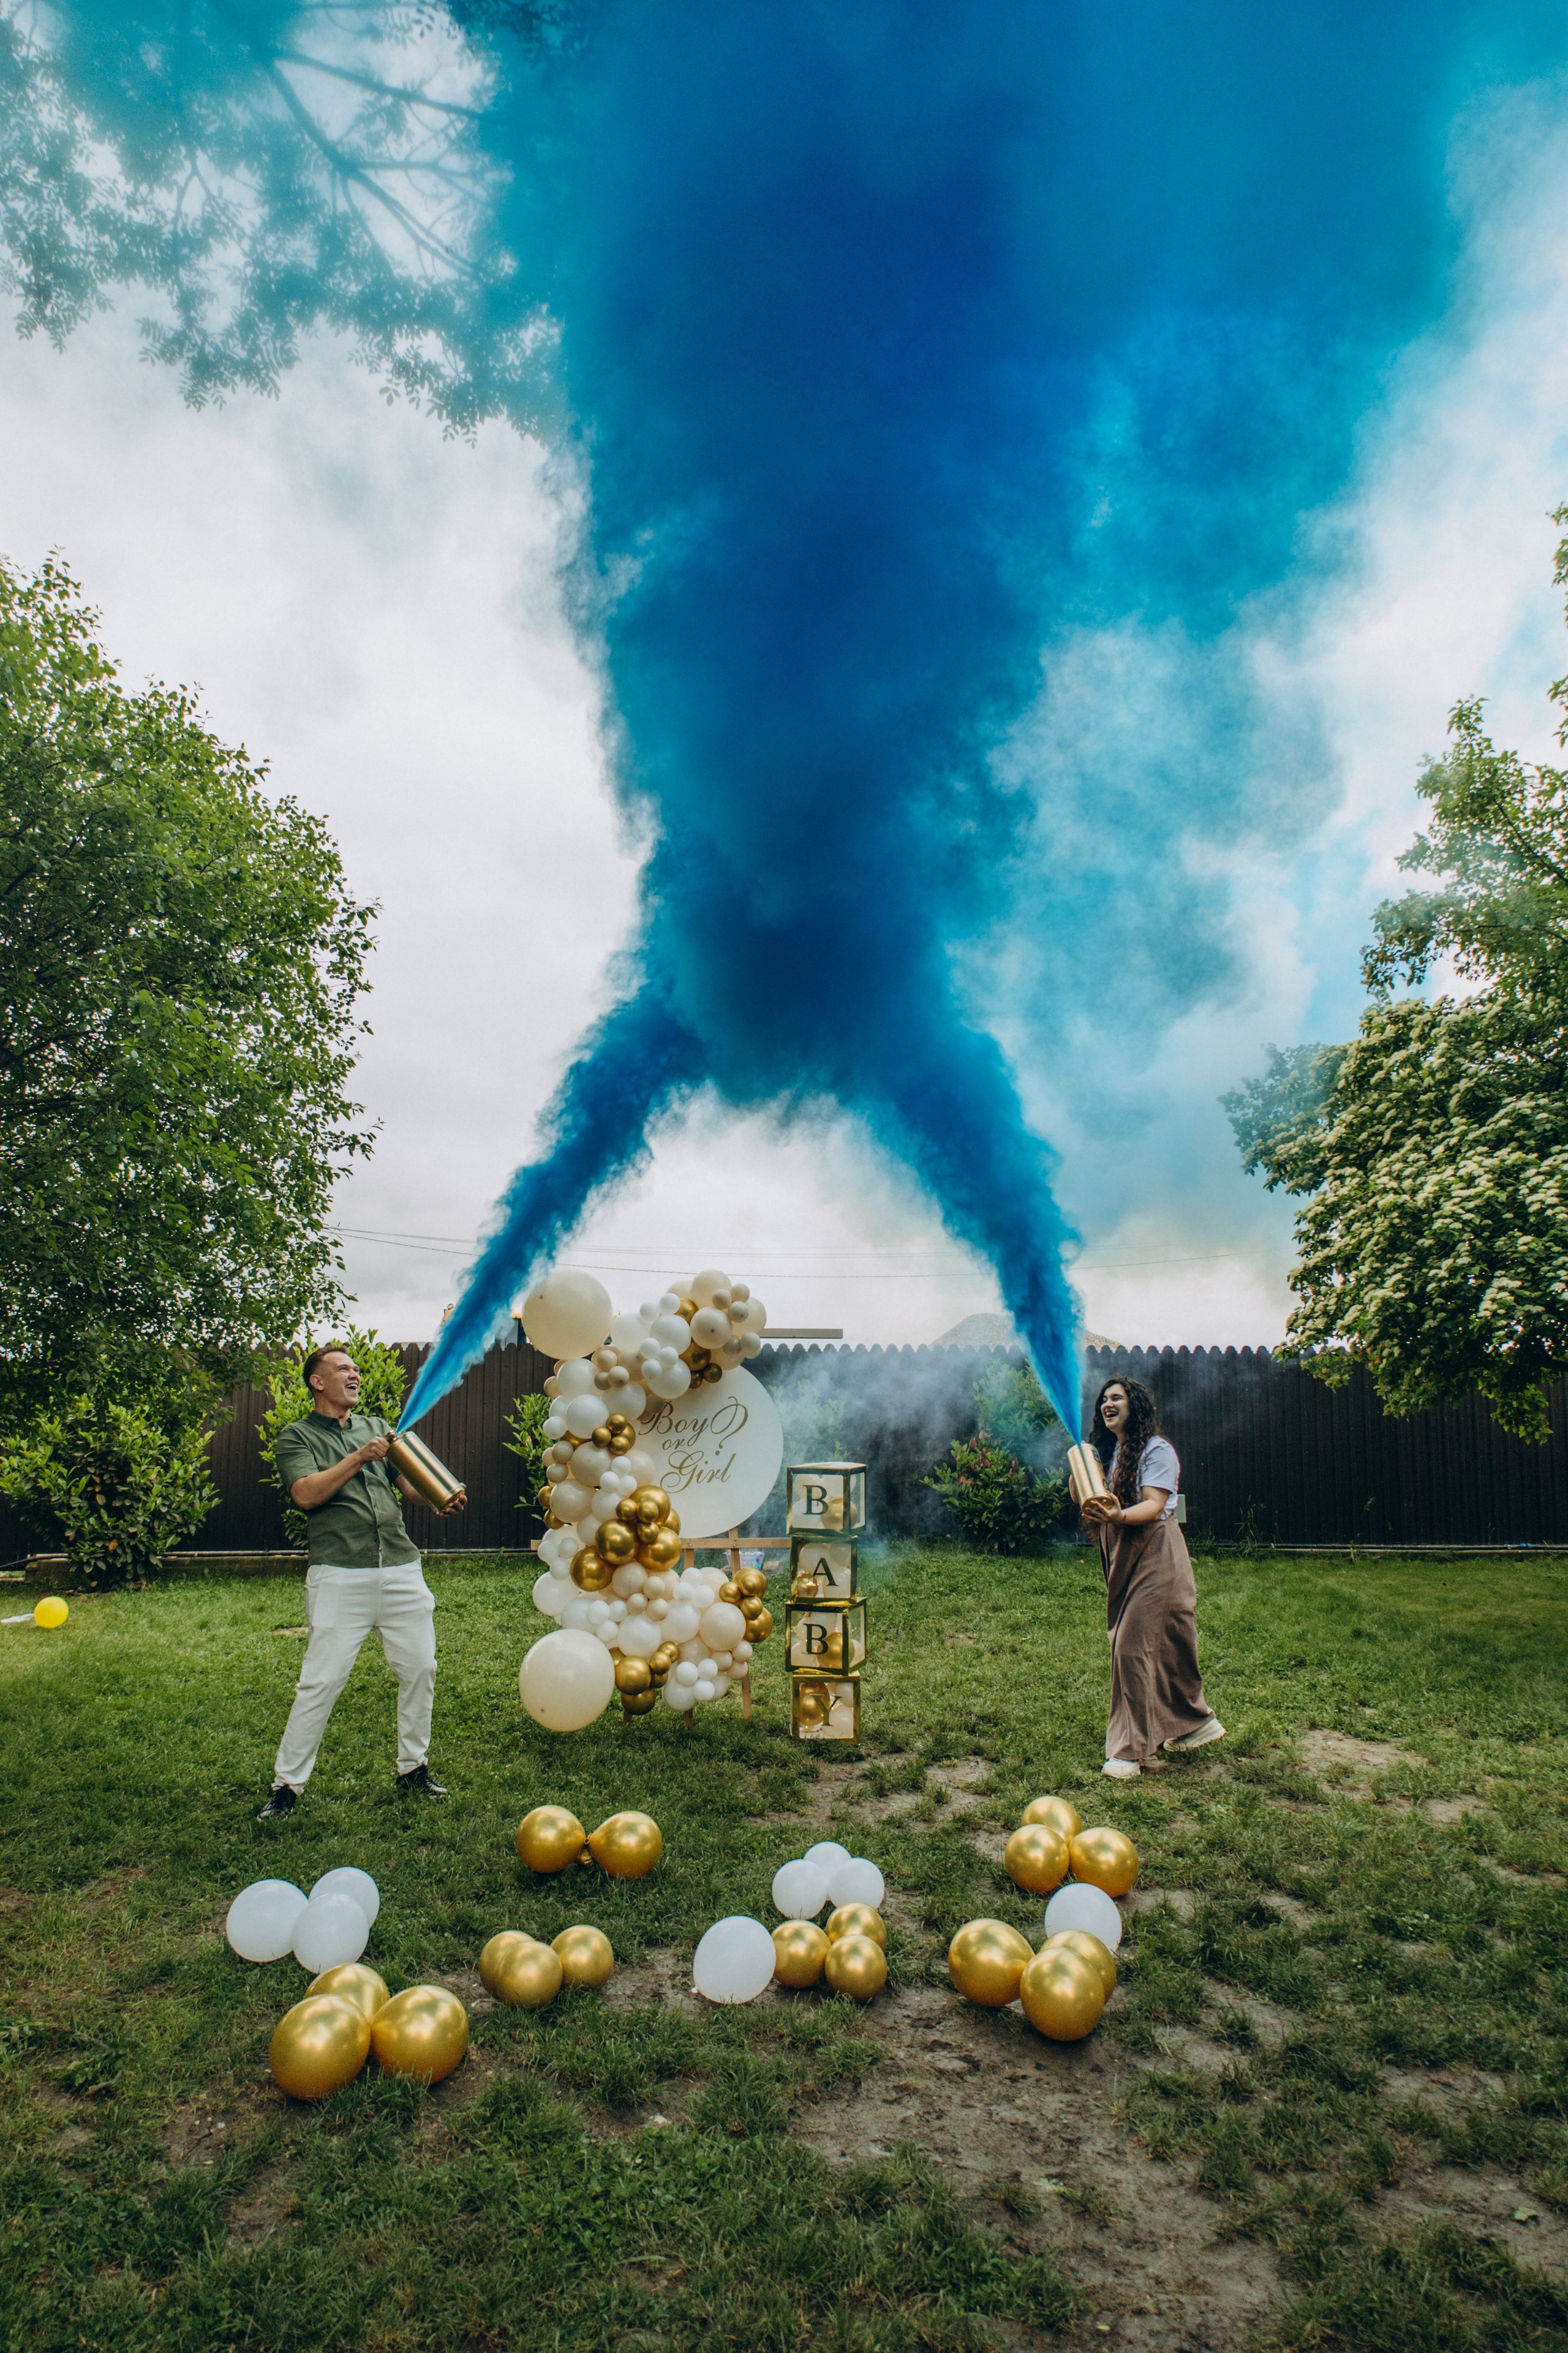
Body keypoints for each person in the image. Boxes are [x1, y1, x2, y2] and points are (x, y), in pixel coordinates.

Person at [256, 1344, 452, 1819]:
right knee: (320, 1681)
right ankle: (287, 1787)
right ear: (317, 1382)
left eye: (357, 1369)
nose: (354, 1375)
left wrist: (439, 1497)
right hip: (341, 1574)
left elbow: (406, 1487)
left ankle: (413, 1768)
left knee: (421, 1668)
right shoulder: (296, 1436)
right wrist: (360, 1457)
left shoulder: (376, 1427)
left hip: (401, 1568)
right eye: (343, 1368)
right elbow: (305, 1494)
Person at [1079, 1375, 1224, 1780]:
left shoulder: (1157, 1450)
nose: (1107, 1404)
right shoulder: (1114, 1452)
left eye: (1116, 1397)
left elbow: (1155, 1504)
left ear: (1135, 1405)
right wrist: (1082, 1464)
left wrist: (1118, 1516)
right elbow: (1084, 1495)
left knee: (1131, 1647)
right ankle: (1195, 1723)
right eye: (1103, 1399)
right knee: (1167, 1645)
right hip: (1128, 1555)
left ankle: (1129, 1750)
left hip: (1156, 1554)